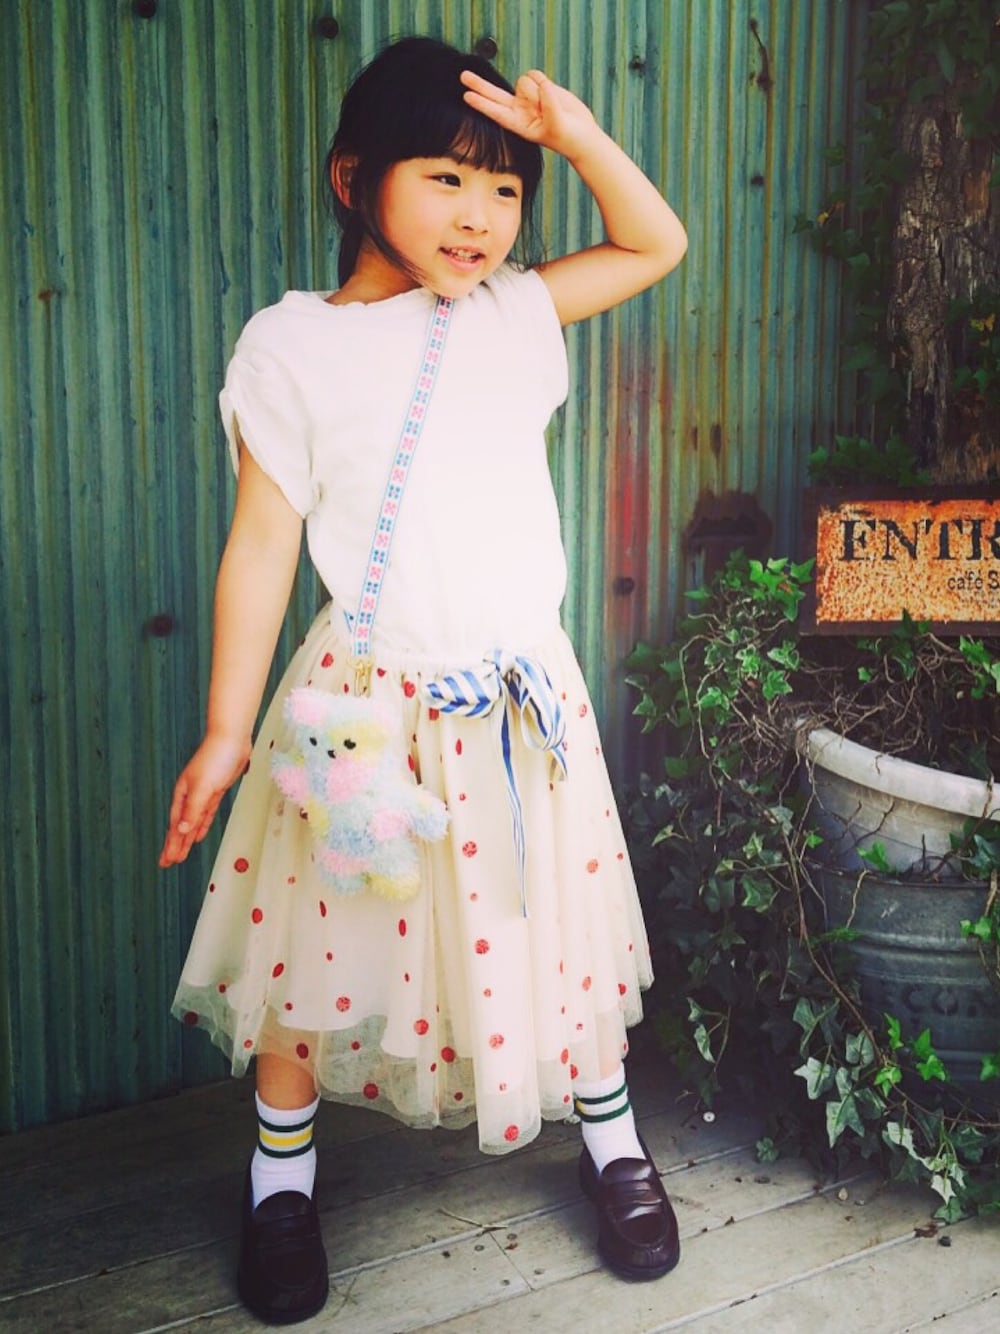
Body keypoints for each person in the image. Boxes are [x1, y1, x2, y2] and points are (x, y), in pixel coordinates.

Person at [160, 35, 687, 1325]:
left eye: (505, 189)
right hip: (366, 718)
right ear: (355, 178)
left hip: (520, 706)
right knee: (309, 952)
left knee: (553, 926)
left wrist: (573, 136)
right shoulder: (293, 347)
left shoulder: (513, 312)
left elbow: (655, 242)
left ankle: (613, 1141)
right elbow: (261, 546)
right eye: (446, 179)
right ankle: (281, 1182)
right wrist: (226, 729)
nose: (479, 216)